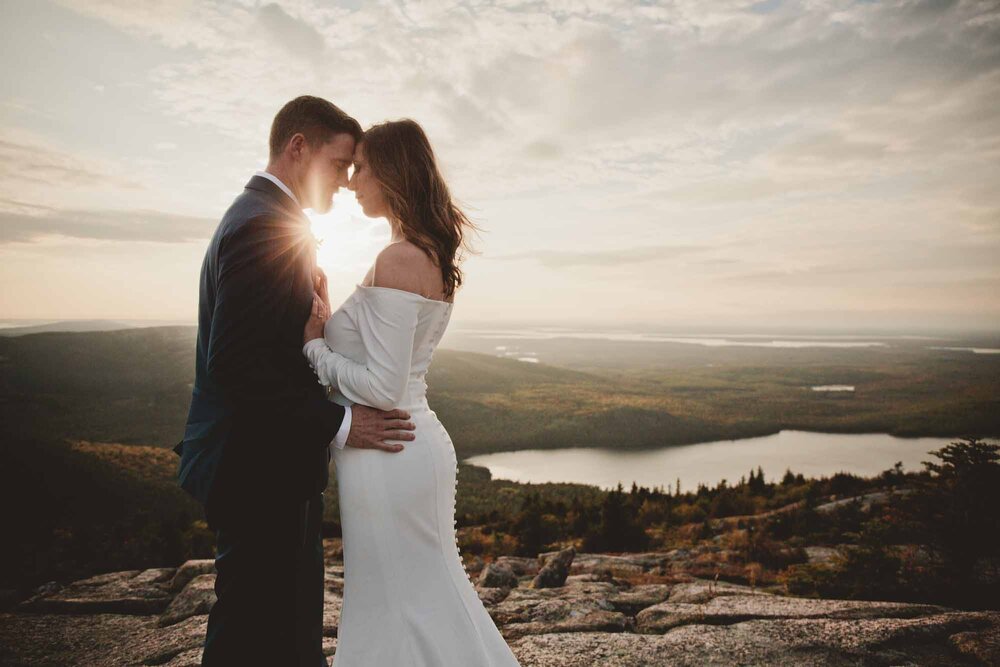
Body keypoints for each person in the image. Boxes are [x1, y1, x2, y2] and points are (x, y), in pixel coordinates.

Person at [174, 96, 416, 667]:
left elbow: (269, 348)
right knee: (253, 630)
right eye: (339, 164)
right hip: (256, 469)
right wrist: (342, 423)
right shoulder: (264, 225)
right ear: (298, 147)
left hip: (270, 464)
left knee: (285, 629)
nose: (345, 181)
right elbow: (233, 366)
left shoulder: (267, 218)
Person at [302, 119, 522, 666]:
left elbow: (383, 386)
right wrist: (333, 320)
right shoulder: (423, 254)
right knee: (419, 595)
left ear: (394, 174)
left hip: (389, 450)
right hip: (401, 446)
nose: (353, 181)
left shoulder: (399, 259)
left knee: (398, 600)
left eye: (363, 168)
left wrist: (313, 346)